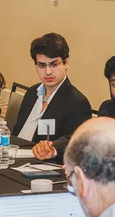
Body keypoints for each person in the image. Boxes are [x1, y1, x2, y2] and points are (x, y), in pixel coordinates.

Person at [11, 33, 92, 161]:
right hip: (13, 156)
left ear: (66, 63)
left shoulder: (77, 102)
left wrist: (52, 148)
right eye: (42, 65)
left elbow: (74, 141)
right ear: (36, 67)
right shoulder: (32, 93)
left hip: (42, 164)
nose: (48, 72)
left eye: (54, 64)